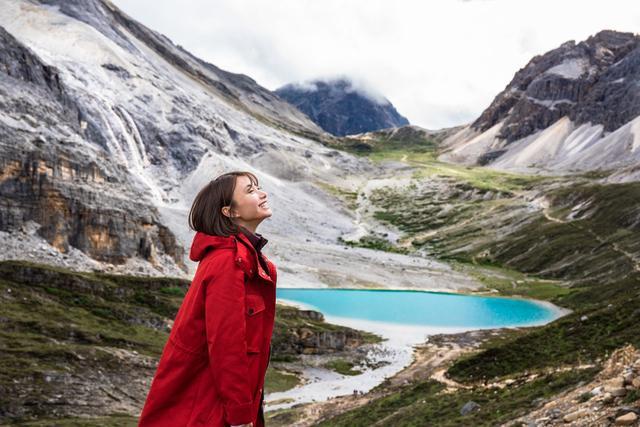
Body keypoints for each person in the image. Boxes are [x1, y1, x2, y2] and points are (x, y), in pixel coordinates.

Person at [138, 171, 277, 427]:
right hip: (210, 410)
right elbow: (227, 342)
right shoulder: (228, 261)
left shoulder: (246, 259)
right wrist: (239, 416)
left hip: (219, 405)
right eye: (250, 190)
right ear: (229, 212)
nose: (262, 193)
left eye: (258, 187)